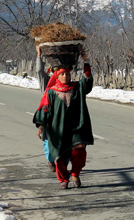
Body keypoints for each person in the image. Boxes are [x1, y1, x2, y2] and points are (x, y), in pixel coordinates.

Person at [33, 51, 94, 189]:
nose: (65, 76)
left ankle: (75, 173)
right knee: (59, 156)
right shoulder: (51, 92)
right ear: (57, 76)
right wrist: (41, 126)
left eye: (67, 74)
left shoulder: (77, 88)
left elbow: (88, 80)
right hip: (58, 129)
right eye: (62, 74)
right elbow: (45, 110)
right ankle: (63, 179)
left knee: (79, 151)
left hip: (77, 127)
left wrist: (85, 61)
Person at [36, 45, 56, 172]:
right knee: (48, 142)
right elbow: (39, 70)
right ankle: (51, 160)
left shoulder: (65, 83)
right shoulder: (46, 83)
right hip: (48, 117)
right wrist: (39, 55)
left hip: (62, 117)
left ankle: (62, 163)